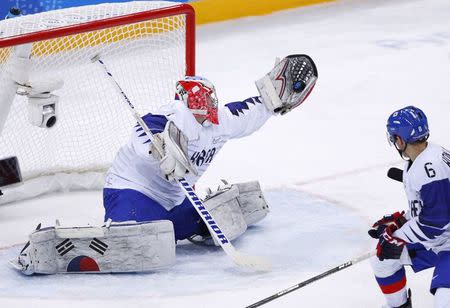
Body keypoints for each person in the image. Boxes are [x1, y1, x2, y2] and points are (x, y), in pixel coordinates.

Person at [103, 54, 318, 243]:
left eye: (209, 97)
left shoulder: (221, 122)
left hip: (173, 199)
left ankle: (187, 224)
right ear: (186, 100)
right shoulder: (177, 114)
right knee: (140, 229)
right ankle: (121, 229)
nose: (206, 104)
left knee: (180, 225)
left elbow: (251, 111)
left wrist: (272, 99)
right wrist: (156, 147)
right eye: (199, 99)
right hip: (130, 189)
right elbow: (145, 128)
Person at [369, 106, 450, 307]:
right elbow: (429, 209)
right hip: (440, 240)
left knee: (444, 300)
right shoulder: (421, 159)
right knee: (383, 259)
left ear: (400, 139)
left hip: (444, 239)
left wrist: (396, 237)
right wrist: (400, 220)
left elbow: (436, 222)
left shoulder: (430, 167)